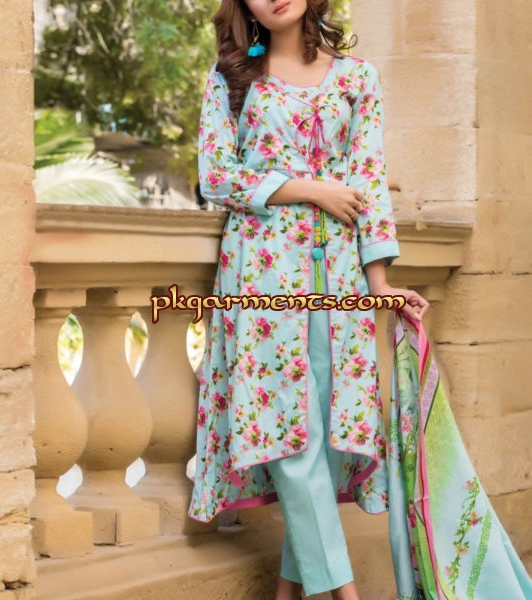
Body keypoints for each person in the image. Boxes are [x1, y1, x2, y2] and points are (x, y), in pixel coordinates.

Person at [188, 1, 429, 599]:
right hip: (262, 274)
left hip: (340, 277)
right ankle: (345, 594)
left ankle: (287, 592)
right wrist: (310, 190)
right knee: (285, 431)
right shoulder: (233, 78)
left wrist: (380, 284)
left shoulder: (357, 78)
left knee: (321, 429)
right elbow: (215, 174)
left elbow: (369, 180)